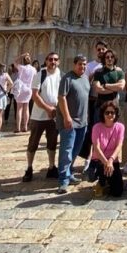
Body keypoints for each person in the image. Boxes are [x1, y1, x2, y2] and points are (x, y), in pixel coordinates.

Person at [22, 52, 62, 181]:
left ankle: (51, 167)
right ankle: (29, 168)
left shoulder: (60, 75)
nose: (53, 62)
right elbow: (35, 95)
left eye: (55, 59)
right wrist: (47, 108)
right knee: (33, 143)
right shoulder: (40, 74)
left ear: (59, 62)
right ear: (46, 61)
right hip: (39, 116)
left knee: (52, 143)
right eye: (50, 59)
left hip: (54, 116)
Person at [56, 54, 91, 193]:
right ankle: (63, 180)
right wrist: (66, 117)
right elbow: (61, 97)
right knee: (66, 150)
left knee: (76, 149)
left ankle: (69, 173)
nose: (82, 67)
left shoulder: (85, 78)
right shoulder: (67, 78)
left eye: (84, 64)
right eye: (80, 64)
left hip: (82, 121)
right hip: (69, 121)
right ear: (74, 64)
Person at [85, 101, 125, 196]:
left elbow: (119, 145)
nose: (110, 115)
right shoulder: (96, 127)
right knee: (102, 171)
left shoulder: (120, 127)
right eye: (107, 112)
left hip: (112, 161)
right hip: (99, 160)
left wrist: (110, 160)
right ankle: (102, 182)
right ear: (103, 114)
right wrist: (106, 162)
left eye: (112, 112)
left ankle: (107, 182)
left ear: (116, 114)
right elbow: (96, 147)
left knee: (117, 192)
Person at [12, 52, 37, 133]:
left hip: (21, 88)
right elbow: (35, 79)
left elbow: (14, 61)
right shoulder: (34, 69)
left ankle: (18, 127)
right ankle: (25, 126)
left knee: (19, 108)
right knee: (26, 108)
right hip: (28, 89)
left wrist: (21, 55)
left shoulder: (21, 67)